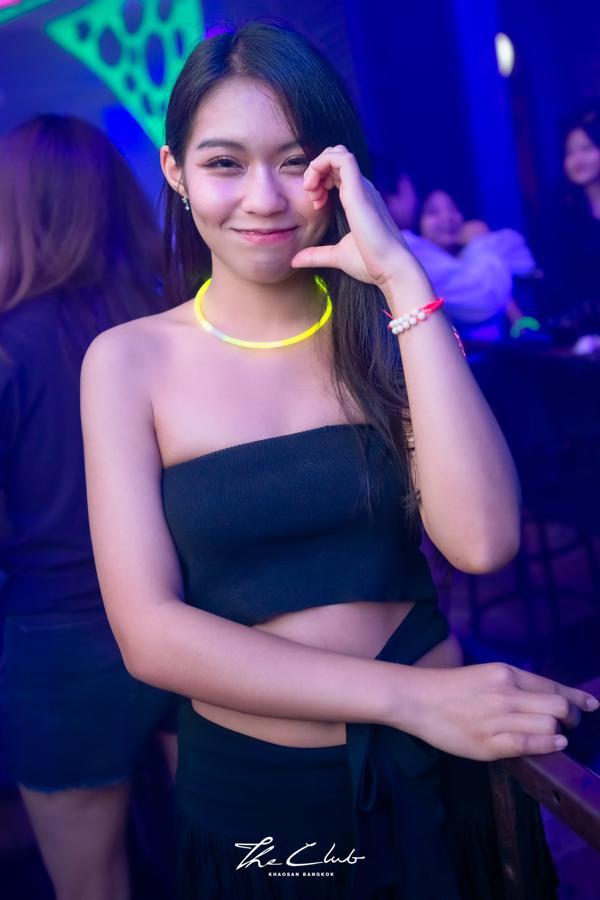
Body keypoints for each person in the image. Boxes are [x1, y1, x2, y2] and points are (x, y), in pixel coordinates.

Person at [80, 22, 598, 900]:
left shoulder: (390, 329)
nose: (264, 198)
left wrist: (402, 279)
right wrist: (410, 699)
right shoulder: (128, 362)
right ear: (175, 171)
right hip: (261, 800)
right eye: (224, 163)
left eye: (295, 162)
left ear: (338, 171)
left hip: (443, 770)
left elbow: (483, 542)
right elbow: (149, 634)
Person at [0, 115, 179, 900]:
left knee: (90, 887)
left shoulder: (8, 348)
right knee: (237, 864)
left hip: (61, 639)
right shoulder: (174, 327)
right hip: (194, 620)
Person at [398, 187, 538, 341]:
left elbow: (524, 267)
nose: (447, 217)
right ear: (418, 221)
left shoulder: (470, 260)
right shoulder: (420, 261)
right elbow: (489, 296)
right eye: (433, 212)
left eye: (453, 209)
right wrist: (478, 242)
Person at [542, 102, 600, 340]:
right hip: (583, 330)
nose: (578, 159)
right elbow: (560, 280)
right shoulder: (561, 210)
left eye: (587, 148)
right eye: (570, 152)